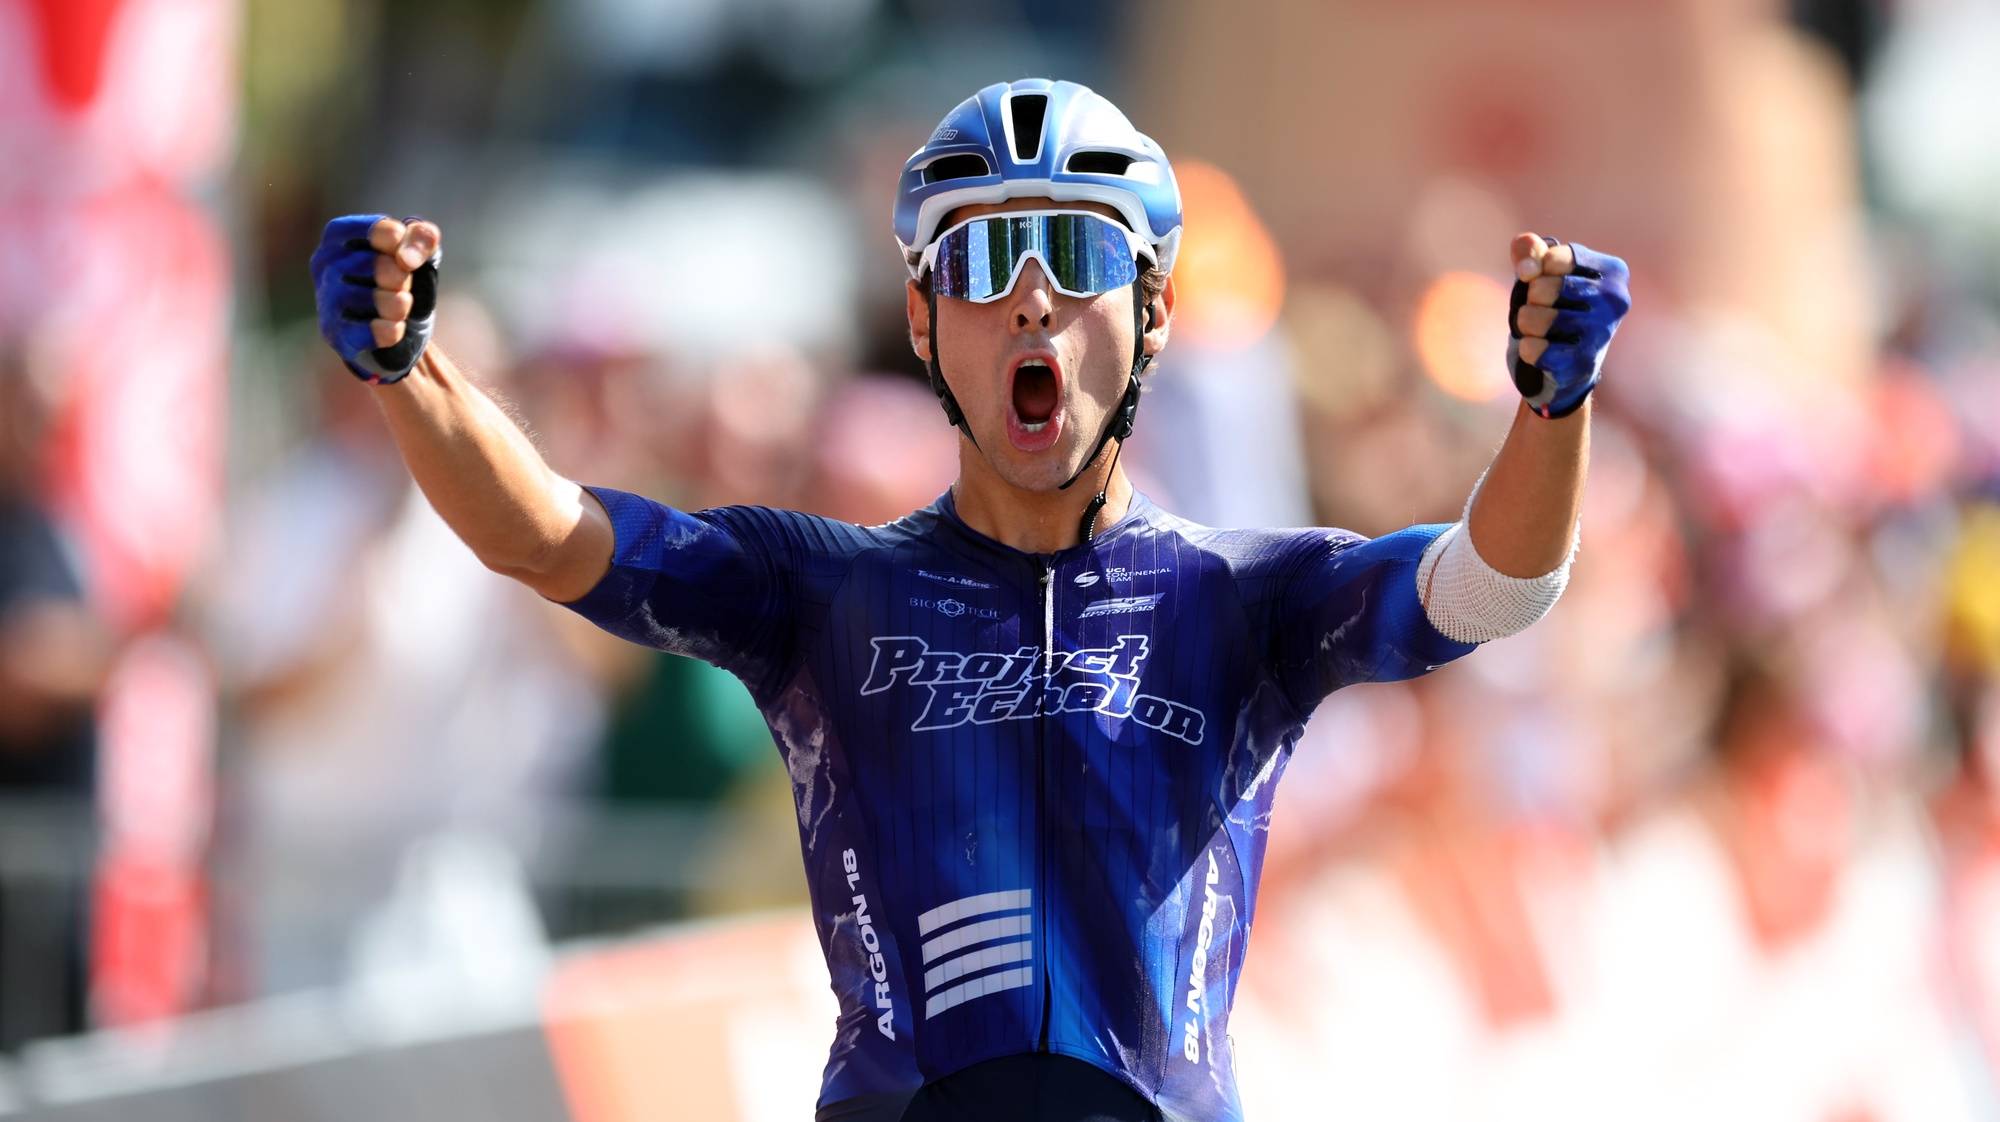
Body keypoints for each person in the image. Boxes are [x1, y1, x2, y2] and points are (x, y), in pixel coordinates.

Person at [308, 78, 1629, 1122]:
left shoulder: (1246, 597)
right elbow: (551, 537)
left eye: (1075, 254)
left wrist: (1554, 409)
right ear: (925, 317)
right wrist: (412, 373)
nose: (1034, 301)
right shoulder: (818, 588)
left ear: (1156, 312)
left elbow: (1496, 585)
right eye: (988, 262)